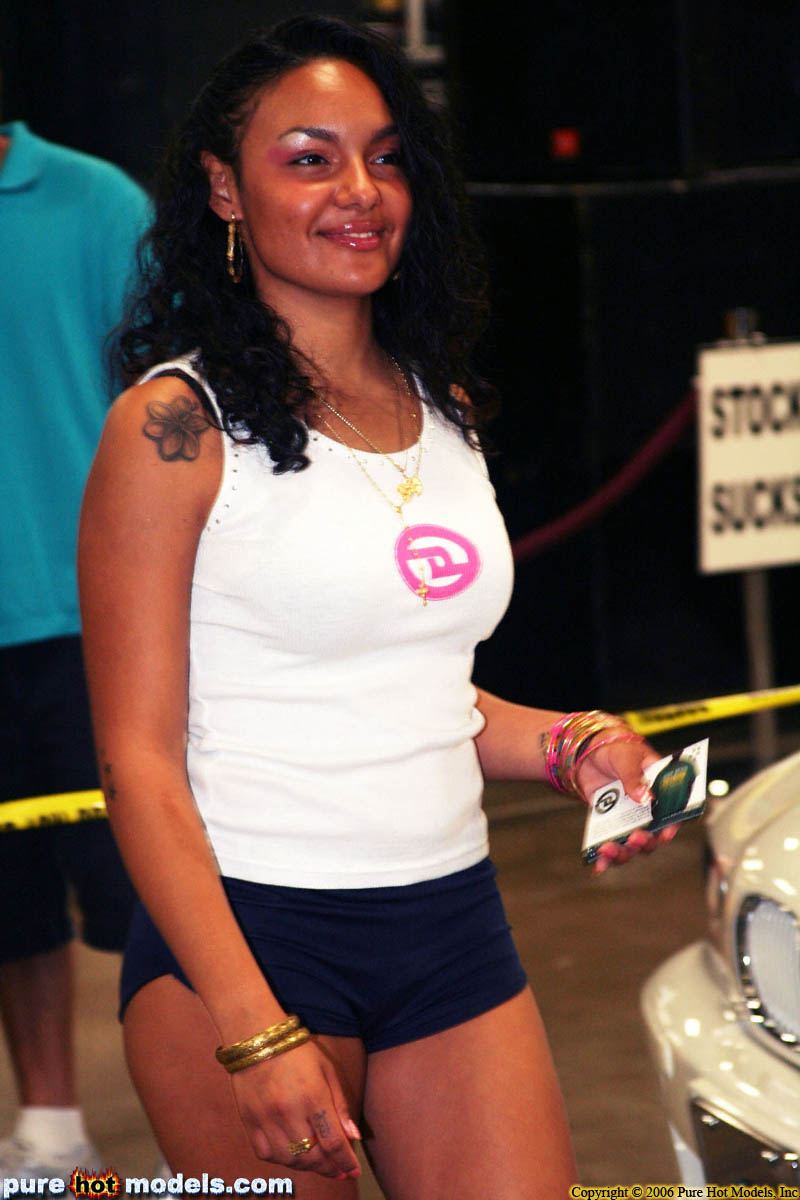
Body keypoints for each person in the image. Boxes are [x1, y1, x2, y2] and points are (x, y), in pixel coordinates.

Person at [78, 16, 679, 1198]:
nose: (359, 190)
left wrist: (570, 745)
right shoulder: (172, 429)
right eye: (310, 158)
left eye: (387, 157)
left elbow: (415, 692)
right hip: (247, 941)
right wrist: (253, 1027)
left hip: (451, 929)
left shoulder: (437, 404)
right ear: (224, 188)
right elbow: (135, 759)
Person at [0, 119, 149, 1180]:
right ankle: (49, 1129)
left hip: (93, 621)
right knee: (7, 907)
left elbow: (180, 402)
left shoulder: (97, 203)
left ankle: (213, 1124)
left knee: (154, 898)